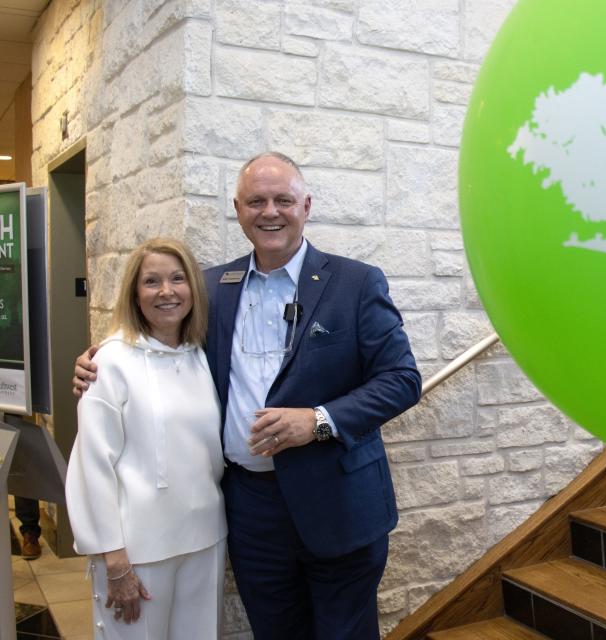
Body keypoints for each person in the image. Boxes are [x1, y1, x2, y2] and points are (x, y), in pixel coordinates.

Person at [75, 152, 421, 639]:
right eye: (256, 201)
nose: (270, 211)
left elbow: (402, 379)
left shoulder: (357, 282)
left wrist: (317, 419)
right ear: (238, 210)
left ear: (306, 205)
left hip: (338, 503)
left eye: (283, 199)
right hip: (252, 509)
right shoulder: (213, 288)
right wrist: (103, 359)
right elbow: (165, 349)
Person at [65, 238, 227, 638]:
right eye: (151, 281)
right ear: (135, 294)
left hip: (204, 538)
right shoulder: (110, 361)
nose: (167, 291)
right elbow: (92, 466)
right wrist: (115, 561)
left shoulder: (199, 355)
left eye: (177, 279)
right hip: (137, 549)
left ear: (193, 288)